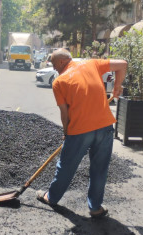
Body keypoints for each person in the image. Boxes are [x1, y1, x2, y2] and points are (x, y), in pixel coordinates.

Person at [36, 48, 127, 218]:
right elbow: (123, 64)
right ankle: (95, 208)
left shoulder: (59, 82)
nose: (54, 68)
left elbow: (65, 113)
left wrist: (66, 132)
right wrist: (117, 86)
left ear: (62, 61)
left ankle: (52, 197)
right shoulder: (92, 64)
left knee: (66, 166)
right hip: (104, 126)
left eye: (54, 64)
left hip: (80, 130)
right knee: (99, 169)